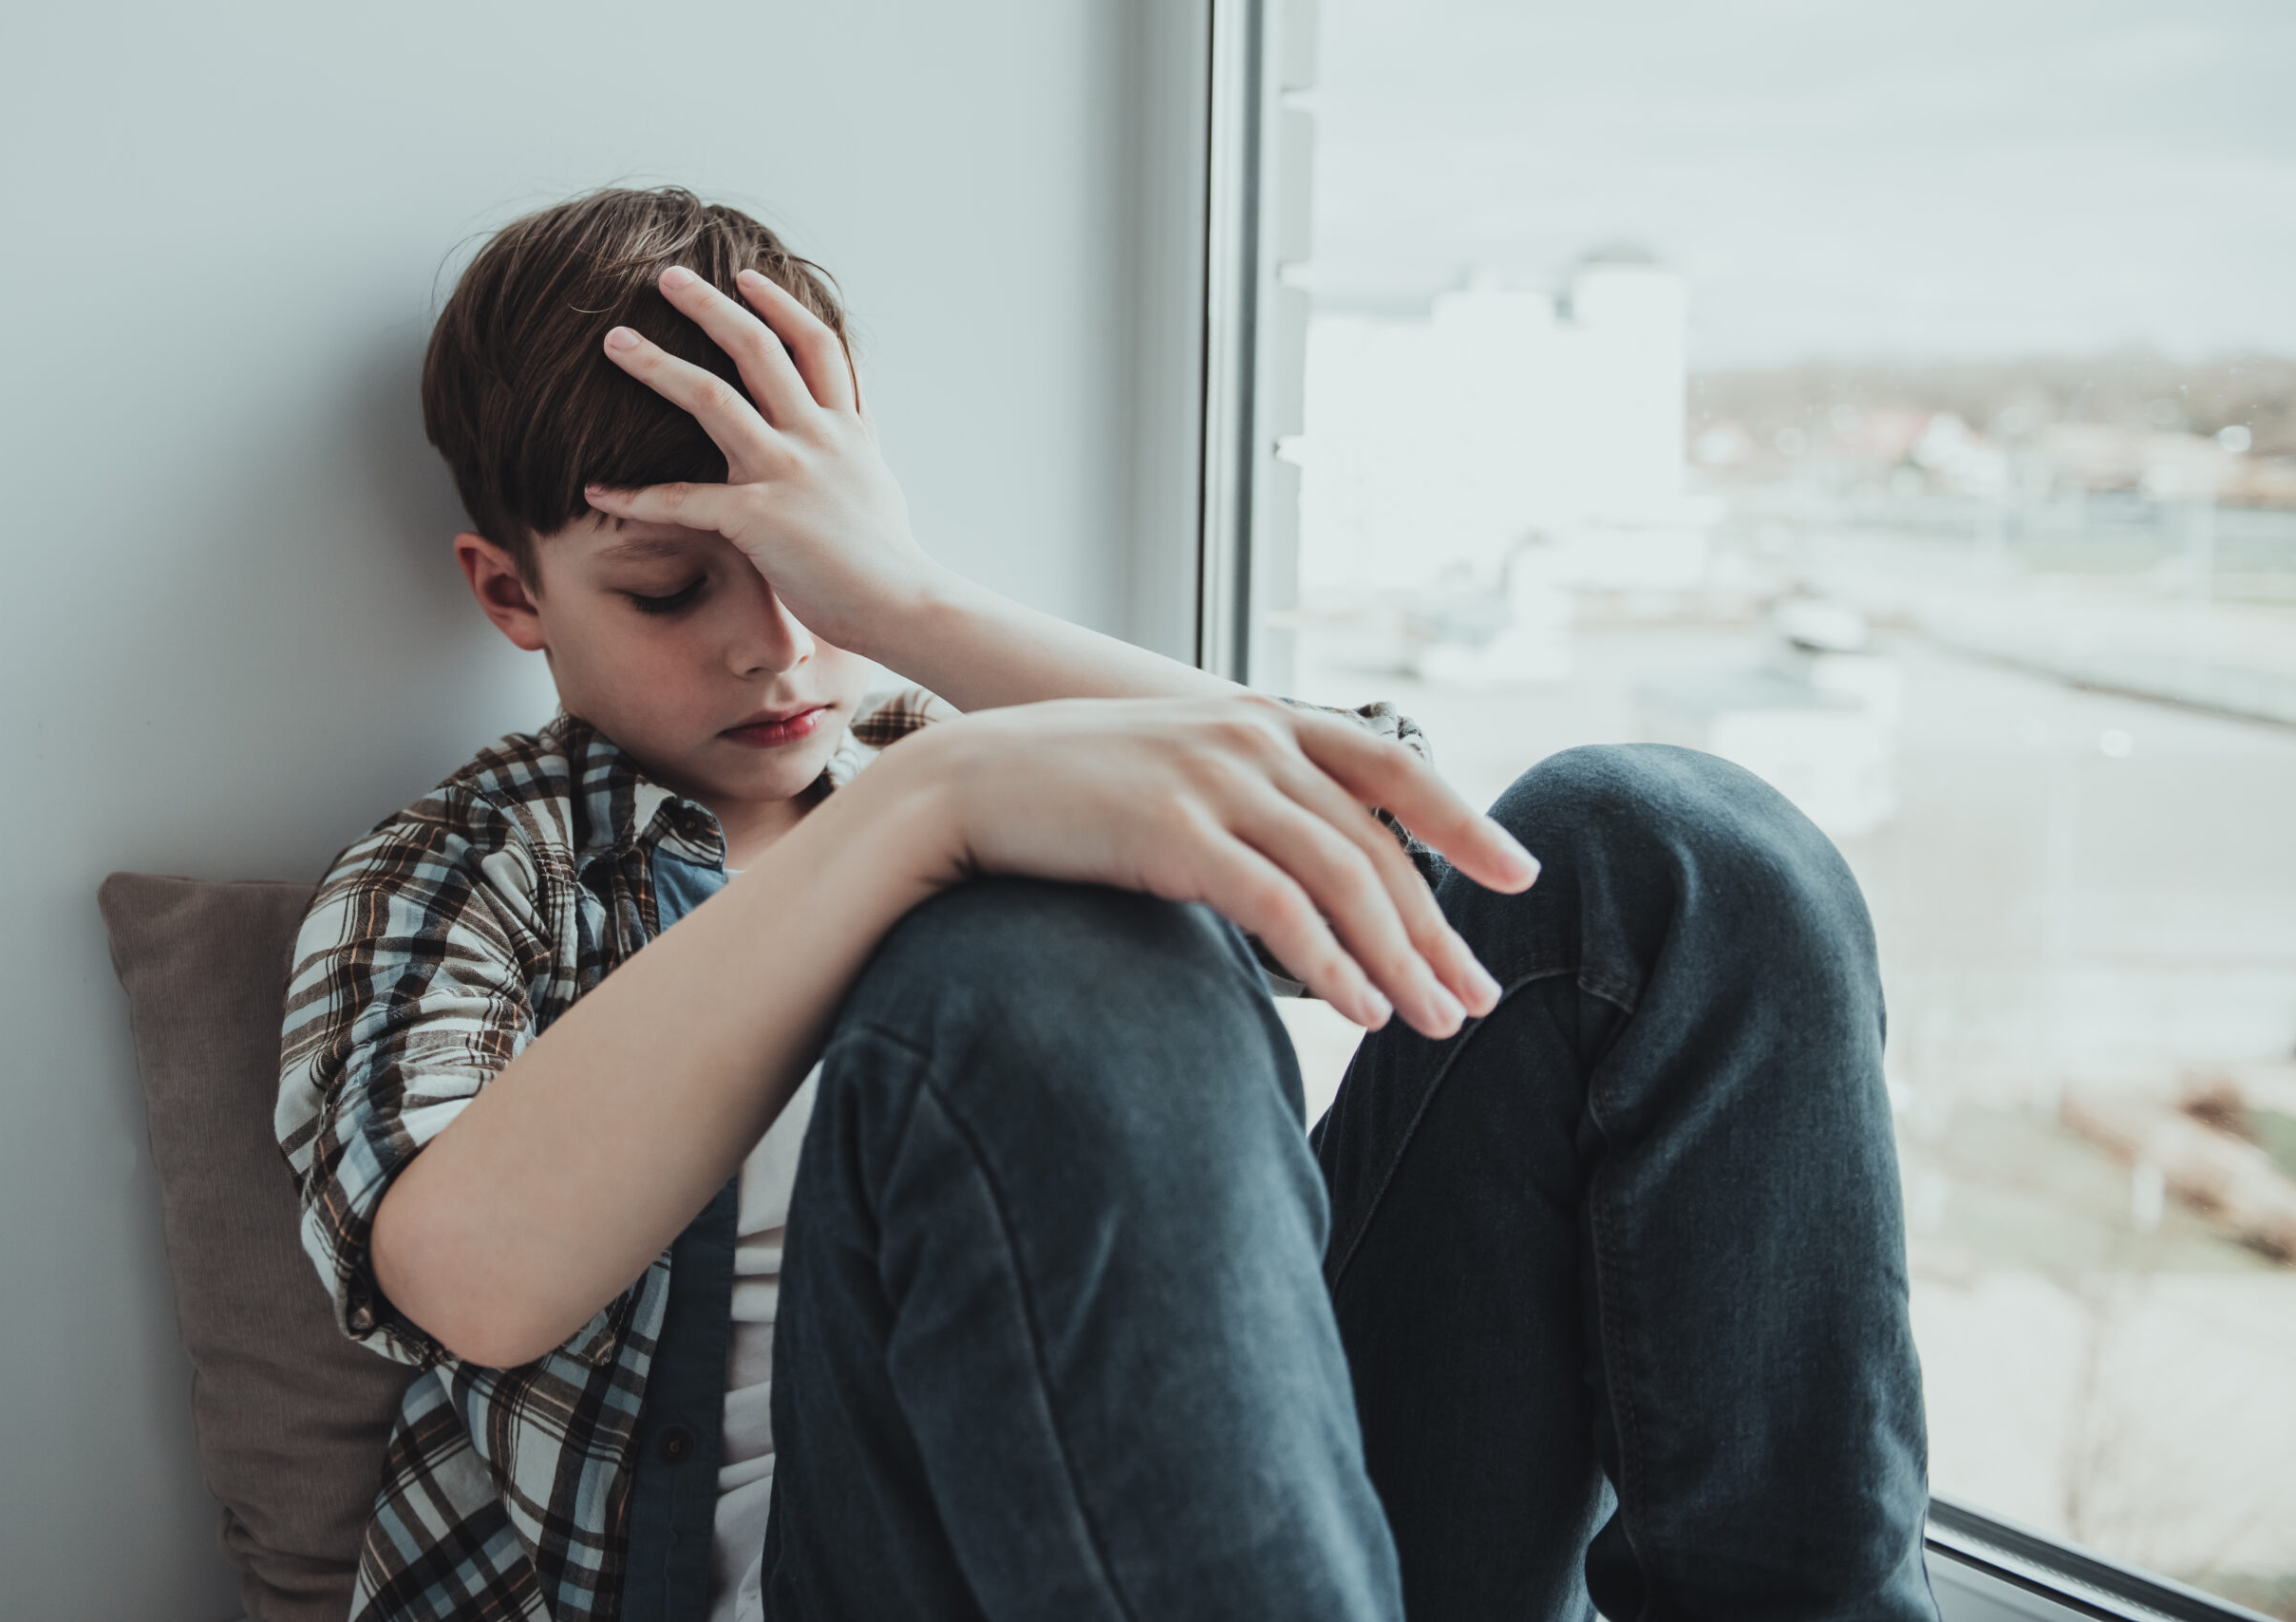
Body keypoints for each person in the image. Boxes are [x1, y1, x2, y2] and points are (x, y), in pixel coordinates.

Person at [275, 186, 1937, 1622]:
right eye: (669, 586)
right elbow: (461, 1279)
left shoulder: (969, 751)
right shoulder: (477, 871)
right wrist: (921, 815)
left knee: (1663, 848)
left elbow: (1432, 861)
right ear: (511, 592)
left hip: (1253, 1523)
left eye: (810, 565)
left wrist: (920, 619)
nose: (773, 644)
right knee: (1028, 954)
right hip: (848, 1570)